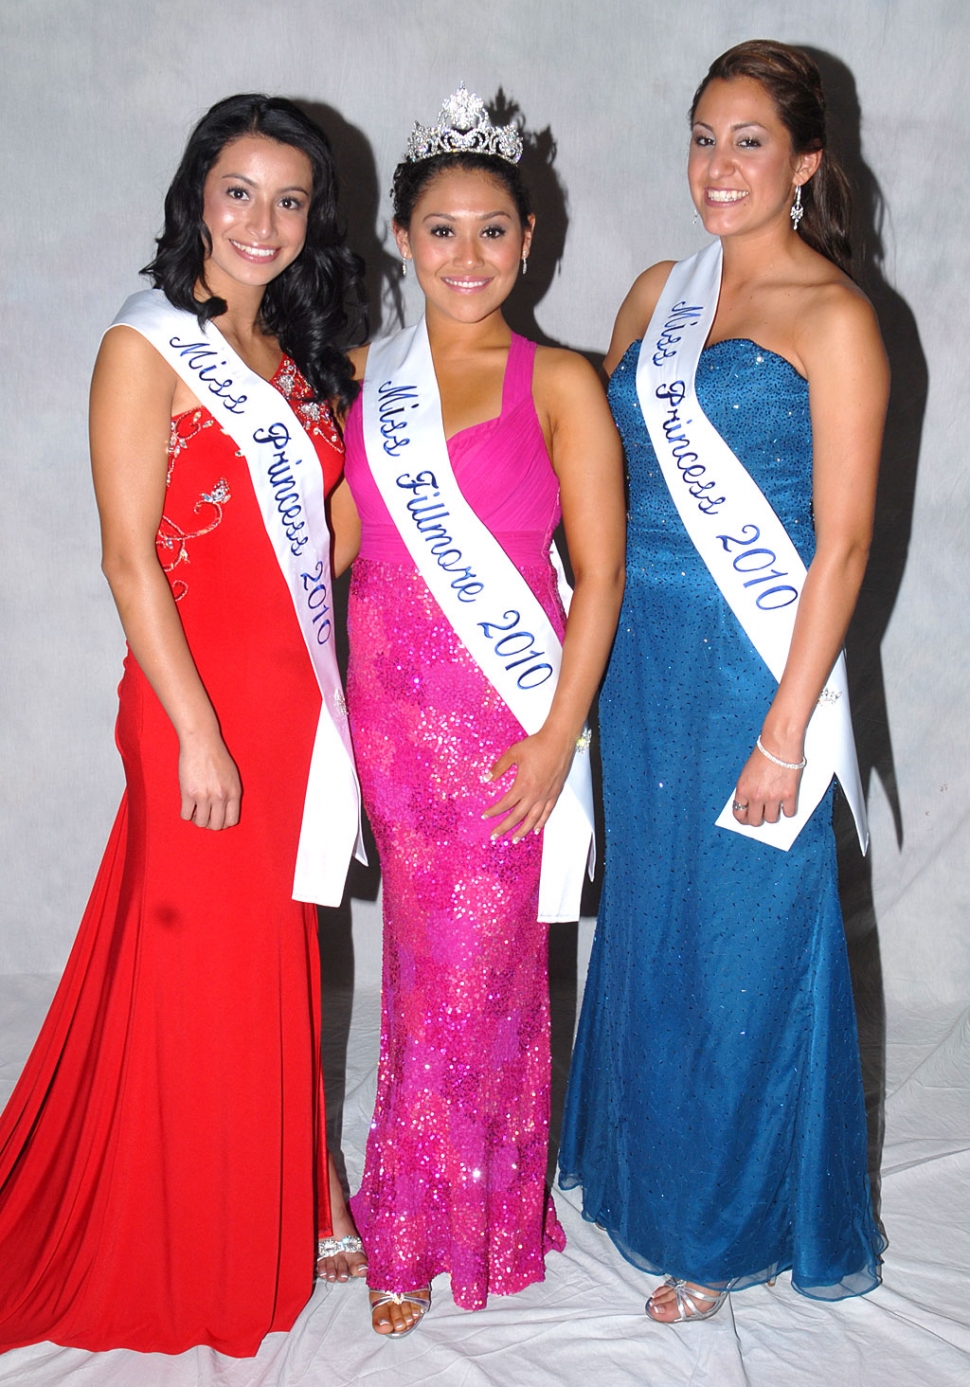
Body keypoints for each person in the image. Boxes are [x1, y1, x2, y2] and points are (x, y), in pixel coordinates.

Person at [0, 94, 369, 1357]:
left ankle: (294, 1188)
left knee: (280, 956)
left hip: (294, 703)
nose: (261, 222)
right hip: (190, 709)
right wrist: (199, 735)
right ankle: (189, 1235)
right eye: (237, 192)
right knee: (200, 974)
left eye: (289, 199)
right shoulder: (143, 349)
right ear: (194, 198)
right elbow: (126, 558)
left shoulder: (307, 352)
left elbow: (334, 533)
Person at [559, 41, 889, 1324]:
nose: (717, 167)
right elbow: (590, 465)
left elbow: (844, 542)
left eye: (748, 141)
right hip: (642, 665)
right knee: (653, 922)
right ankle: (644, 1170)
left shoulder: (835, 317)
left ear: (805, 162)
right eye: (703, 137)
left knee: (744, 938)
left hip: (758, 672)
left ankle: (723, 1218)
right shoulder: (656, 291)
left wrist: (786, 731)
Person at [329, 85, 626, 1336]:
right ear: (403, 238)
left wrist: (560, 737)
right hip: (392, 715)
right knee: (418, 965)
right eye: (440, 230)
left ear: (531, 235)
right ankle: (431, 1206)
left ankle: (451, 1214)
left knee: (487, 969)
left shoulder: (560, 380)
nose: (467, 255)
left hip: (508, 717)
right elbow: (336, 549)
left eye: (492, 229)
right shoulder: (366, 376)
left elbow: (601, 573)